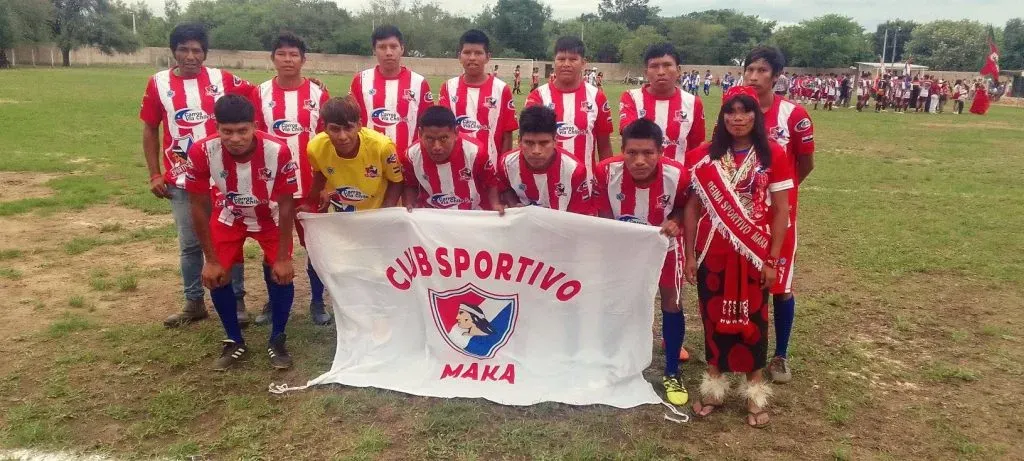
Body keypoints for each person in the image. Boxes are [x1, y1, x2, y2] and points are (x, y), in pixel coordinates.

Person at [682, 85, 793, 428]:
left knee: (755, 319)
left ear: (757, 115)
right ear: (722, 116)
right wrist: (689, 255)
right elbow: (691, 208)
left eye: (746, 111)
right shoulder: (702, 155)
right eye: (731, 111)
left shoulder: (773, 154)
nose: (738, 118)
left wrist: (773, 259)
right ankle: (714, 387)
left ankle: (754, 391)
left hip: (754, 251)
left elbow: (781, 210)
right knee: (712, 316)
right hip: (711, 251)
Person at [140, 23, 251, 328]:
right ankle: (194, 302)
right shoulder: (158, 83)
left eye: (196, 50)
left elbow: (261, 93)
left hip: (224, 179)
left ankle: (237, 300)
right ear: (173, 51)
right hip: (182, 180)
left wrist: (307, 83)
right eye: (183, 50)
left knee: (230, 241)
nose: (190, 56)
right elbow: (150, 128)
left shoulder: (221, 79)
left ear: (205, 53)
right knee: (190, 244)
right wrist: (154, 174)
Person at [184, 95, 298, 371]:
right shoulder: (201, 151)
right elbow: (197, 206)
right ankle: (234, 340)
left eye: (242, 130)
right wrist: (211, 259)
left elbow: (286, 205)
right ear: (216, 128)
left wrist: (283, 257)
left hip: (269, 216)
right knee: (217, 275)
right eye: (227, 131)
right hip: (229, 214)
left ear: (254, 126)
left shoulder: (278, 150)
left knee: (281, 273)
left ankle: (277, 338)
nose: (235, 139)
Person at [593, 119, 690, 406]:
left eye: (648, 153)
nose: (639, 160)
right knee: (617, 301)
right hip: (623, 249)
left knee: (671, 302)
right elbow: (603, 214)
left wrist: (675, 220)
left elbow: (684, 207)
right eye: (632, 153)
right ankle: (612, 362)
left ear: (660, 152)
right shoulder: (605, 171)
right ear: (622, 150)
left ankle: (672, 371)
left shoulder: (677, 174)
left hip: (665, 249)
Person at [741, 46, 814, 384]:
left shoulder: (794, 115)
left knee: (781, 285)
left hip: (780, 217)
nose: (754, 77)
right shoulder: (736, 111)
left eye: (762, 71)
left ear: (777, 76)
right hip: (742, 215)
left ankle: (780, 355)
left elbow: (805, 163)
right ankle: (744, 347)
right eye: (750, 70)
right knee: (743, 282)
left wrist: (781, 195)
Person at [249, 32, 332, 326]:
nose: (288, 59)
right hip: (273, 188)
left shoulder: (318, 95)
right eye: (282, 54)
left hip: (311, 186)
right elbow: (254, 140)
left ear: (303, 59)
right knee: (273, 247)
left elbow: (329, 141)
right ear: (273, 58)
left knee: (315, 246)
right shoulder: (260, 94)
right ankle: (274, 300)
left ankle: (317, 301)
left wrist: (326, 185)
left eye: (294, 54)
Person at [525, 36, 613, 204]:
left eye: (573, 59)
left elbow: (604, 146)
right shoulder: (538, 96)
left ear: (583, 62)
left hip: (585, 186)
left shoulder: (597, 97)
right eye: (561, 59)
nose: (566, 64)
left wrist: (606, 182)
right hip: (545, 187)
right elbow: (527, 144)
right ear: (554, 61)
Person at [307, 96, 403, 213]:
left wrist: (384, 213)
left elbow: (396, 181)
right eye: (335, 129)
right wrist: (311, 202)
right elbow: (320, 174)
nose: (342, 137)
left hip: (374, 212)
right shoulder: (315, 147)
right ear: (324, 128)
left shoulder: (382, 147)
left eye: (348, 128)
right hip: (339, 213)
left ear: (359, 125)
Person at [489, 105, 590, 214]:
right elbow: (505, 189)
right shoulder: (506, 164)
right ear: (519, 141)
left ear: (555, 141)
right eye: (529, 142)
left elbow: (579, 216)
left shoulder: (574, 170)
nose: (536, 151)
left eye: (544, 143)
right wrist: (513, 204)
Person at [349, 25, 433, 156]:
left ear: (402, 49)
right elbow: (350, 121)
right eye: (382, 47)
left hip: (408, 160)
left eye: (393, 46)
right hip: (370, 160)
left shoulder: (419, 83)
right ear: (374, 50)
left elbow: (429, 125)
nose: (388, 52)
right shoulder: (360, 80)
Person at [439, 30, 518, 166]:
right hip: (457, 167)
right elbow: (443, 130)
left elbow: (507, 135)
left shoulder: (501, 89)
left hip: (491, 168)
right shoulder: (448, 87)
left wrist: (502, 166)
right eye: (467, 52)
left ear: (488, 57)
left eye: (478, 53)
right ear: (459, 56)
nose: (472, 57)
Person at [620, 43, 706, 165]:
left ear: (678, 70)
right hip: (641, 173)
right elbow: (629, 135)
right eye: (654, 66)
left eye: (667, 65)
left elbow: (697, 147)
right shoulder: (631, 98)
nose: (661, 72)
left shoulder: (693, 103)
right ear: (646, 72)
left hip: (679, 175)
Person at [400, 106, 492, 211]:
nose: (437, 147)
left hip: (471, 213)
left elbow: (491, 183)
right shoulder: (411, 155)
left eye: (443, 138)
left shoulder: (475, 152)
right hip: (431, 214)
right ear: (420, 134)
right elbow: (410, 184)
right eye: (429, 139)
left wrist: (495, 204)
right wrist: (410, 203)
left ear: (456, 133)